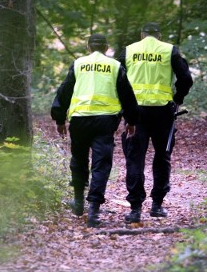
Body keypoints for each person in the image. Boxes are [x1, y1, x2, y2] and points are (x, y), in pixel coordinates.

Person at [51, 34, 139, 228]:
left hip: (80, 119)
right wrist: (131, 120)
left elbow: (64, 91)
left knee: (79, 159)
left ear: (88, 47)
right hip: (105, 120)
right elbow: (127, 94)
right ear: (106, 47)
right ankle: (94, 211)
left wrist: (59, 118)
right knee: (101, 163)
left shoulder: (78, 64)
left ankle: (78, 202)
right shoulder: (115, 66)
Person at [117, 22, 193, 224]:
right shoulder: (169, 50)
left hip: (135, 112)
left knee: (134, 158)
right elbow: (185, 78)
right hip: (162, 112)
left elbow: (116, 79)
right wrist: (178, 98)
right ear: (158, 36)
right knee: (162, 157)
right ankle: (157, 205)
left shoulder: (129, 50)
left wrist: (122, 104)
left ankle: (135, 209)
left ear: (142, 35)